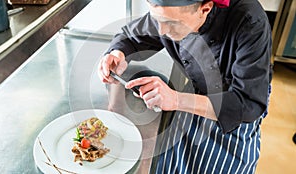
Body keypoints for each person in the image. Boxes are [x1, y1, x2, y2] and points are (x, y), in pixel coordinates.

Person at [98, 0, 272, 173]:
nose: (161, 31)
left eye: (171, 23)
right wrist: (116, 53)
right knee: (172, 164)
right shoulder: (167, 14)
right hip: (193, 96)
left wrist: (176, 100)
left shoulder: (250, 22)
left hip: (235, 109)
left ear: (205, 9)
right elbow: (130, 36)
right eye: (157, 19)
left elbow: (248, 104)